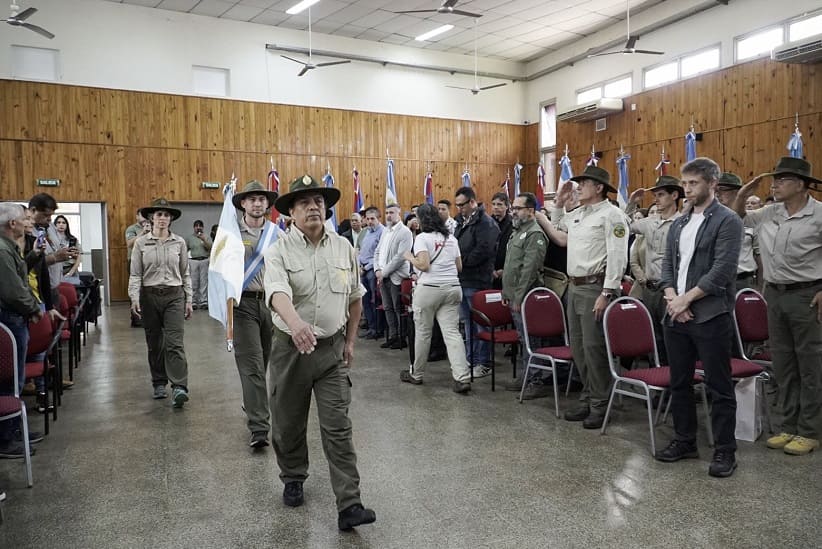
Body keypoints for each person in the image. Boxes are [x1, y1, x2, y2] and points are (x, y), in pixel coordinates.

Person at [263, 175, 376, 531]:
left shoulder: (343, 247)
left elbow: (355, 298)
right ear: (291, 214)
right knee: (288, 424)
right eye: (304, 203)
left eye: (318, 201)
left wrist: (351, 341)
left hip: (330, 351)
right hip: (290, 350)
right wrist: (296, 324)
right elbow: (278, 293)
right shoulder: (278, 250)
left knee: (338, 428)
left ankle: (350, 504)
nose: (314, 207)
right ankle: (293, 475)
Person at [655, 157, 741, 478]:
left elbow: (722, 271)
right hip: (677, 313)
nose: (686, 189)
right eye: (685, 183)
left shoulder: (727, 220)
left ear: (712, 184)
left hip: (710, 315)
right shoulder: (678, 223)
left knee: (718, 385)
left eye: (693, 183)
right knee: (679, 381)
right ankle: (685, 439)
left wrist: (686, 299)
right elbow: (667, 267)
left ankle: (724, 450)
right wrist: (672, 298)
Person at [733, 157, 822, 456]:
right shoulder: (769, 212)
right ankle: (788, 425)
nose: (775, 184)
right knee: (783, 365)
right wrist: (743, 194)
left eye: (782, 180)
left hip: (807, 294)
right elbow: (736, 219)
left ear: (800, 185)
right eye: (775, 179)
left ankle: (809, 430)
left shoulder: (819, 215)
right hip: (774, 293)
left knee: (810, 365)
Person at [549, 165, 628, 429]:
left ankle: (600, 403)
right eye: (579, 182)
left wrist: (607, 292)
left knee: (594, 349)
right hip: (574, 286)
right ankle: (587, 396)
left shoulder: (612, 215)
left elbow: (618, 256)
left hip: (595, 287)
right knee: (579, 348)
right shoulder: (579, 214)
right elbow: (559, 229)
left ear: (599, 188)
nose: (579, 187)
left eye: (584, 183)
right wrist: (559, 204)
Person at [230, 181, 281, 449]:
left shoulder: (277, 233)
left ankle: (252, 401)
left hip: (271, 305)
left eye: (262, 199)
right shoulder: (231, 232)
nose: (258, 203)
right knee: (251, 366)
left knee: (262, 362)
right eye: (252, 199)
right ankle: (259, 426)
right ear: (243, 204)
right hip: (242, 305)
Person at [129, 198, 193, 408]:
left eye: (166, 215)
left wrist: (189, 299)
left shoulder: (180, 242)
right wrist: (134, 297)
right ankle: (158, 381)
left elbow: (185, 273)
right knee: (155, 342)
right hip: (150, 295)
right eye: (159, 215)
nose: (163, 218)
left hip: (174, 295)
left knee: (175, 343)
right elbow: (136, 274)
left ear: (171, 218)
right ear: (151, 218)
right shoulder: (140, 243)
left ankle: (179, 387)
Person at [400, 203, 471, 393]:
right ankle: (462, 377)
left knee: (423, 333)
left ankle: (417, 374)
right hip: (453, 288)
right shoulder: (451, 238)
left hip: (429, 289)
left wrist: (409, 257)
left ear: (423, 219)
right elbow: (459, 268)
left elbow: (423, 265)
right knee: (452, 333)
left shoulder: (422, 238)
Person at [624, 176, 684, 363]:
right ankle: (658, 379)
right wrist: (631, 204)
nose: (656, 199)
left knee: (674, 337)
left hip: (672, 289)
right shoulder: (650, 221)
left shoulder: (684, 222)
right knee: (653, 337)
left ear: (674, 195)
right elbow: (622, 227)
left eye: (660, 195)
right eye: (655, 195)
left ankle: (675, 381)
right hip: (650, 288)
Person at [0, 203, 43, 459]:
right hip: (10, 317)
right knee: (9, 378)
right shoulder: (3, 251)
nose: (28, 223)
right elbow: (13, 290)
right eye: (23, 219)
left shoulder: (9, 249)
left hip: (15, 316)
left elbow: (21, 274)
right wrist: (33, 308)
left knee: (15, 377)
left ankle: (14, 429)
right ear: (12, 224)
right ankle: (6, 438)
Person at [501, 193, 549, 399]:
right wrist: (506, 292)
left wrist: (519, 297)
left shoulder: (535, 234)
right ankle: (527, 374)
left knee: (532, 340)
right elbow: (510, 266)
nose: (514, 211)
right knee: (523, 338)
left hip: (527, 297)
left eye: (518, 208)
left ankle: (536, 380)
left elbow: (529, 270)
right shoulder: (518, 232)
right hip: (515, 295)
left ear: (531, 211)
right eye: (513, 208)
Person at [454, 187, 500, 377]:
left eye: (462, 205)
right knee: (467, 323)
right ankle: (471, 359)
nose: (459, 209)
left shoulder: (485, 223)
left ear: (472, 202)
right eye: (457, 205)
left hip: (477, 280)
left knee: (481, 324)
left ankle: (484, 362)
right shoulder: (462, 222)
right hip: (463, 279)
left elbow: (483, 250)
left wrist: (461, 262)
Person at [374, 203, 413, 350]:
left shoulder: (405, 232)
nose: (389, 215)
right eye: (387, 213)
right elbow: (377, 252)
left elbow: (400, 257)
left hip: (395, 276)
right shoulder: (385, 231)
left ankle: (402, 338)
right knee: (388, 307)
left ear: (399, 213)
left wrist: (383, 273)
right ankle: (393, 336)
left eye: (392, 212)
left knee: (398, 308)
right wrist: (377, 269)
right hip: (382, 275)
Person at [715, 173, 761, 290]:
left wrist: (760, 287)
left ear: (737, 192)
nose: (718, 194)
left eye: (723, 190)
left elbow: (759, 256)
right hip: (716, 280)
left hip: (743, 280)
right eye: (716, 190)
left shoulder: (751, 219)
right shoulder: (710, 219)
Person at [29, 194, 75, 309]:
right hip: (37, 290)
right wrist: (54, 258)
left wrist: (65, 253)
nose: (49, 219)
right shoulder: (27, 231)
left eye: (51, 215)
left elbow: (56, 246)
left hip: (54, 285)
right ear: (33, 210)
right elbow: (26, 262)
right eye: (45, 215)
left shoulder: (50, 226)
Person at [357, 206, 384, 339]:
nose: (369, 221)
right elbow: (361, 251)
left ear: (379, 218)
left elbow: (379, 255)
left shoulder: (382, 232)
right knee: (365, 300)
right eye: (367, 219)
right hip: (362, 270)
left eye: (372, 218)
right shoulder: (366, 231)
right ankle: (370, 326)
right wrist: (359, 265)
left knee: (374, 300)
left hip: (372, 270)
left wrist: (366, 267)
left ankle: (377, 329)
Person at [126, 210, 150, 327]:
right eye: (141, 215)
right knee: (135, 289)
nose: (144, 218)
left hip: (148, 262)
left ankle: (147, 317)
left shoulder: (152, 227)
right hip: (134, 261)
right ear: (136, 216)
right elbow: (129, 244)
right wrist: (142, 233)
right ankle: (136, 318)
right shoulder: (132, 229)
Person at [185, 219, 212, 310]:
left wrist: (204, 240)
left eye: (200, 226)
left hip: (204, 260)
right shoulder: (189, 238)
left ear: (203, 227)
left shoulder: (207, 237)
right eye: (196, 226)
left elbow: (210, 248)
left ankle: (204, 301)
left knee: (204, 282)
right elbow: (185, 249)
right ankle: (193, 301)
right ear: (194, 228)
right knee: (194, 282)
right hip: (193, 261)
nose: (198, 227)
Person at [490, 192, 513, 291]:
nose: (495, 207)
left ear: (507, 206)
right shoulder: (487, 223)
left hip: (507, 270)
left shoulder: (514, 224)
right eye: (493, 204)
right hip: (489, 270)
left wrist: (506, 269)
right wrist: (490, 269)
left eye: (499, 204)